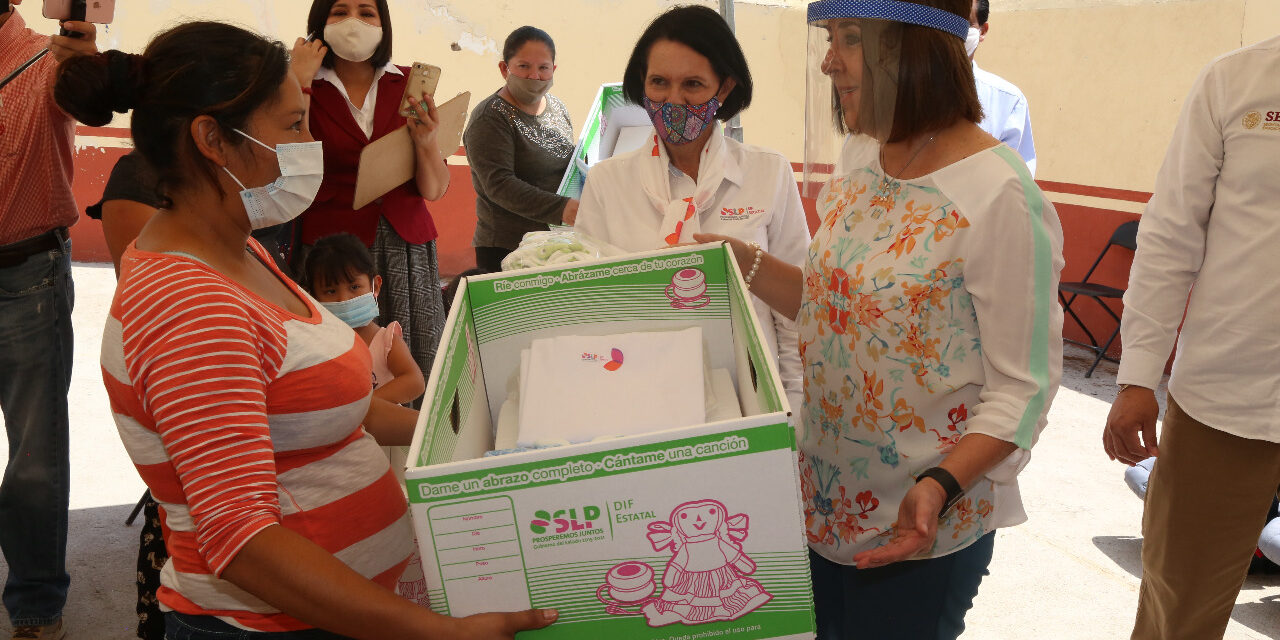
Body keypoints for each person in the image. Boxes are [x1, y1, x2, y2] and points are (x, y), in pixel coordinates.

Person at [57, 20, 555, 639]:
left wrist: (482, 433)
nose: (309, 144)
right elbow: (242, 538)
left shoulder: (240, 252)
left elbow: (337, 410)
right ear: (212, 139)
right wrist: (437, 633)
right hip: (265, 626)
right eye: (294, 126)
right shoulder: (187, 302)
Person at [697, 1, 1063, 636]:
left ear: (915, 47)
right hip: (823, 500)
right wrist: (735, 258)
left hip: (919, 524)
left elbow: (1024, 388)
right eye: (830, 37)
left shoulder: (998, 195)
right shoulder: (862, 158)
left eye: (852, 39)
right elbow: (833, 304)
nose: (828, 60)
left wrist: (940, 485)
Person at [1101, 34, 1280, 640]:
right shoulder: (1236, 83)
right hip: (1228, 400)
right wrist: (1138, 376)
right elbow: (1170, 234)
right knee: (1178, 613)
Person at [573, 5, 810, 416]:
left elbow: (795, 314)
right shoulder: (607, 184)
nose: (673, 100)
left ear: (724, 89)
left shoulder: (768, 174)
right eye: (659, 82)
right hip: (639, 401)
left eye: (694, 85)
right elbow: (590, 309)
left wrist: (791, 410)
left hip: (751, 403)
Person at [290, 0, 451, 399]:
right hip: (332, 250)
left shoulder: (409, 82)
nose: (354, 22)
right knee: (338, 361)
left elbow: (434, 189)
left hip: (405, 244)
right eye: (340, 11)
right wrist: (301, 84)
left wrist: (427, 141)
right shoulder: (298, 82)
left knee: (413, 362)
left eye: (367, 12)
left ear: (383, 24)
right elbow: (293, 157)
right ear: (320, 23)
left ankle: (408, 448)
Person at [0, 2, 96, 637]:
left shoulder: (49, 56)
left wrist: (89, 67)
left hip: (25, 277)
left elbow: (93, 105)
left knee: (34, 455)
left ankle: (36, 604)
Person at [464, 26, 576, 272]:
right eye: (524, 66)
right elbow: (500, 184)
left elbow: (571, 162)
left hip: (557, 246)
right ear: (505, 69)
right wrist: (563, 209)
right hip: (508, 250)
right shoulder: (490, 118)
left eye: (543, 67)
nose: (535, 76)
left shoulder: (557, 107)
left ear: (553, 70)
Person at [966, 0, 1036, 175]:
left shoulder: (1008, 101)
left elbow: (1016, 181)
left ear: (982, 31)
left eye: (966, 23)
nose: (954, 31)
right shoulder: (900, 91)